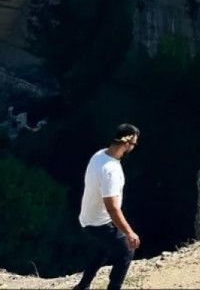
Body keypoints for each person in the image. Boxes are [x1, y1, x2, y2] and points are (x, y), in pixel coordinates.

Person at [75, 123, 141, 290]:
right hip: (100, 222)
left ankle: (82, 287)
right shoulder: (111, 170)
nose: (134, 147)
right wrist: (129, 232)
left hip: (87, 218)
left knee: (102, 249)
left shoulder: (99, 155)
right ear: (127, 144)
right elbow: (112, 208)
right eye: (134, 144)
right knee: (127, 250)